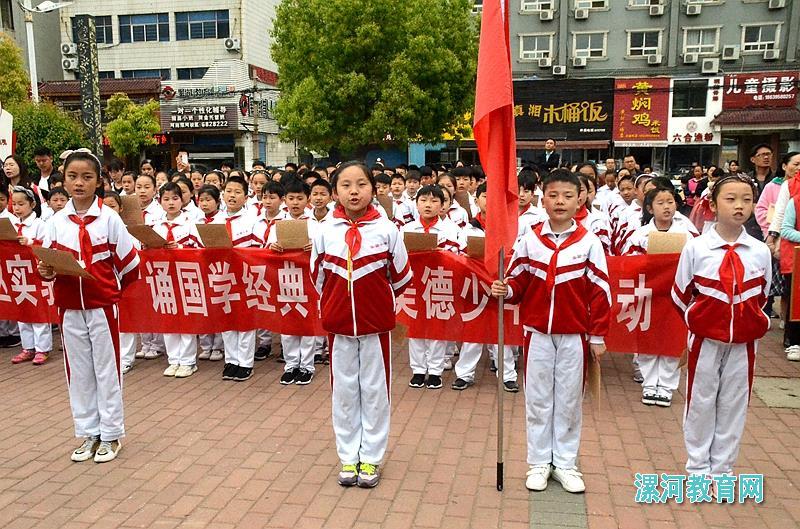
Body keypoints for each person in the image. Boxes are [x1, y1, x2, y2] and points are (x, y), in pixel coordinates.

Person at [491, 169, 610, 493]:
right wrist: (508, 289)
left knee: (570, 399)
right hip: (537, 334)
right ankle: (539, 462)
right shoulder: (530, 238)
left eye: (567, 196)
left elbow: (601, 291)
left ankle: (566, 464)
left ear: (580, 199)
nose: (560, 201)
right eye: (554, 195)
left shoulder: (589, 242)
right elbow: (519, 280)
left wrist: (597, 335)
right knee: (539, 399)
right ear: (543, 199)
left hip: (574, 335)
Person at [310, 161, 412, 488]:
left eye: (361, 184)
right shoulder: (325, 230)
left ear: (373, 188)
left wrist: (375, 302)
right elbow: (318, 278)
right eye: (346, 185)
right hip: (338, 327)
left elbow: (401, 278)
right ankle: (347, 456)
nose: (354, 191)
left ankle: (370, 458)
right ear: (334, 191)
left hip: (375, 328)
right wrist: (338, 304)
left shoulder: (387, 230)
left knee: (374, 391)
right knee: (344, 391)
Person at [38, 150, 140, 463]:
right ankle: (88, 431)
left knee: (107, 369)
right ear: (64, 180)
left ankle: (111, 434)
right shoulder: (55, 221)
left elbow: (129, 264)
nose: (79, 183)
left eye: (87, 177)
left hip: (102, 307)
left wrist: (106, 288)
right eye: (72, 176)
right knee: (78, 371)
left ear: (99, 181)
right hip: (69, 307)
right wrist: (48, 271)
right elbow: (49, 263)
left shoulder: (109, 219)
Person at [672, 174, 771, 490]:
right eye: (730, 199)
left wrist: (749, 322)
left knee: (733, 403)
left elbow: (763, 295)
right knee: (700, 401)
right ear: (713, 205)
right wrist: (700, 320)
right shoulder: (697, 248)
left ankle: (723, 470)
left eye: (746, 199)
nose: (739, 206)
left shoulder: (758, 251)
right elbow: (680, 294)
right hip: (705, 341)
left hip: (744, 344)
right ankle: (698, 467)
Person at [623, 188, 698, 406]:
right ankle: (649, 384)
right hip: (648, 295)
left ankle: (665, 386)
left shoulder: (688, 234)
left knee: (672, 339)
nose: (667, 207)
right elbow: (629, 262)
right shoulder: (640, 234)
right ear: (649, 208)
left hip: (676, 297)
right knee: (648, 338)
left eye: (671, 202)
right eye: (660, 203)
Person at [453, 182, 519, 392]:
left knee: (503, 333)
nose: (490, 203)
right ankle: (464, 374)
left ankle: (507, 374)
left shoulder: (512, 228)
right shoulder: (468, 229)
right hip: (475, 288)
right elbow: (460, 257)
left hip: (502, 286)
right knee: (473, 333)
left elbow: (517, 256)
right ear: (477, 199)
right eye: (485, 197)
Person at [402, 185, 464, 390]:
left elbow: (460, 255)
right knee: (416, 327)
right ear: (416, 204)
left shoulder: (451, 229)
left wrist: (441, 251)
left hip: (440, 283)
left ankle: (435, 370)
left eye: (434, 201)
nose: (428, 205)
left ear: (443, 205)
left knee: (437, 327)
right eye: (424, 201)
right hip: (414, 284)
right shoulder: (407, 229)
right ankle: (419, 370)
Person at [267, 177, 317, 385]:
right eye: (291, 198)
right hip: (285, 281)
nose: (295, 203)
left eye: (300, 198)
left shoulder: (315, 226)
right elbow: (266, 250)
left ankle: (306, 366)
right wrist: (273, 247)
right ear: (284, 200)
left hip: (307, 282)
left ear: (308, 201)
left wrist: (314, 247)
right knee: (287, 324)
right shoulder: (277, 225)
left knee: (307, 324)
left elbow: (324, 251)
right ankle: (290, 365)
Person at [220, 176, 259, 381]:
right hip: (222, 275)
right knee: (227, 318)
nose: (232, 195)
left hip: (245, 276)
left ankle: (245, 362)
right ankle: (231, 360)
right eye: (228, 191)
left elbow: (260, 250)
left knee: (244, 319)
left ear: (246, 196)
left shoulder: (253, 220)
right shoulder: (216, 220)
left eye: (237, 192)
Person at [9, 187, 51, 365]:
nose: (17, 208)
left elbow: (46, 246)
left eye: (21, 204)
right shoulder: (11, 223)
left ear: (32, 204)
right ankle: (28, 347)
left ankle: (42, 348)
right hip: (18, 272)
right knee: (23, 310)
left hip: (35, 273)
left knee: (39, 311)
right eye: (14, 204)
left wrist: (30, 242)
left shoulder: (40, 224)